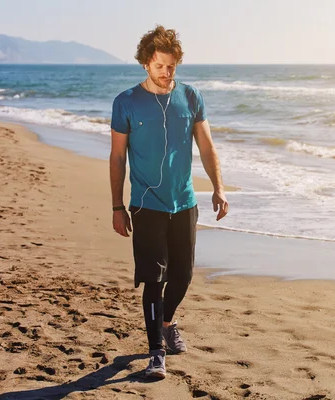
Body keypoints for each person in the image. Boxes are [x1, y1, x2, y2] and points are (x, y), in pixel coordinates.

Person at [109, 25, 228, 379]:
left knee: (184, 274)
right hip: (146, 204)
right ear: (146, 63)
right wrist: (117, 206)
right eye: (160, 66)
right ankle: (156, 352)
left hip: (184, 201)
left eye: (171, 67)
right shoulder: (126, 102)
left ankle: (167, 321)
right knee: (153, 278)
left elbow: (206, 146)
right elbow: (117, 158)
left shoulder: (190, 97)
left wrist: (218, 188)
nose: (166, 73)